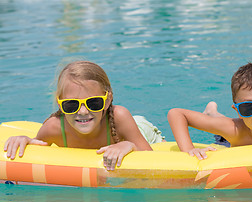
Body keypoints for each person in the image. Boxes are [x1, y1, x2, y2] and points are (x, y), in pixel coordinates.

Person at [4, 61, 163, 170]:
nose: (83, 112)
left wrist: (130, 145)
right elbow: (37, 148)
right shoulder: (54, 127)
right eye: (72, 105)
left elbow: (151, 159)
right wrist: (24, 140)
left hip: (140, 131)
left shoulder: (119, 116)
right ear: (61, 104)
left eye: (93, 103)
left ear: (107, 102)